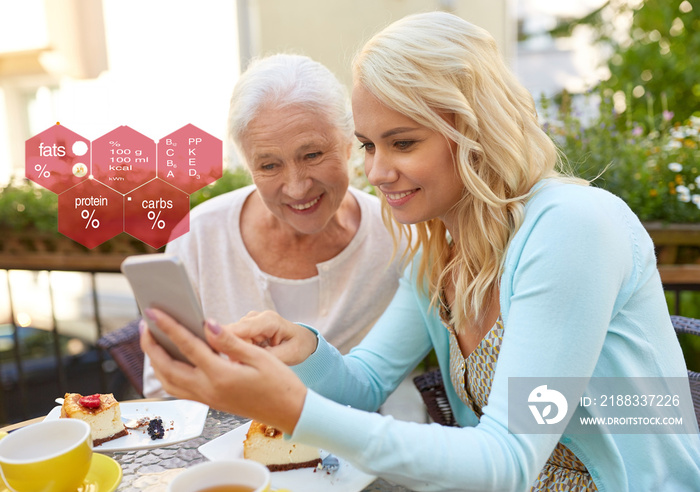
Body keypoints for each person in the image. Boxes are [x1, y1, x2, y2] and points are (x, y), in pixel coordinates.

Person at [141, 12, 700, 491]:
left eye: (403, 142)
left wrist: (293, 408)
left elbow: (507, 458)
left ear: (476, 130)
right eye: (368, 145)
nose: (378, 171)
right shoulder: (440, 251)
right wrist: (302, 349)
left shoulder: (571, 229)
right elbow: (363, 385)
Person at [142, 54, 407, 397]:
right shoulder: (198, 234)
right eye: (269, 166)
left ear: (347, 146)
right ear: (248, 166)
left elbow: (377, 385)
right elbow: (164, 387)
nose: (297, 188)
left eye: (312, 155)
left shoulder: (398, 233)